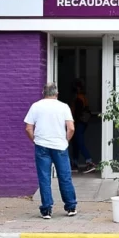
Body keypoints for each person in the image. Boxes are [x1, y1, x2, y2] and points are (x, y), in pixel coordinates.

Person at [24, 82, 78, 219]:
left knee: (44, 178)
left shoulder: (36, 106)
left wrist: (35, 140)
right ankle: (71, 207)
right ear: (56, 93)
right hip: (60, 146)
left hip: (41, 146)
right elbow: (71, 128)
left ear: (43, 93)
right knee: (65, 177)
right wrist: (66, 141)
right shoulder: (63, 106)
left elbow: (28, 128)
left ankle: (46, 210)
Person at [70, 79, 96, 174]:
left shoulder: (79, 99)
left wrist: (73, 123)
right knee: (76, 143)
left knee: (79, 142)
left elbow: (77, 113)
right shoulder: (82, 97)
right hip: (81, 123)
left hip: (78, 123)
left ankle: (89, 162)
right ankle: (75, 164)